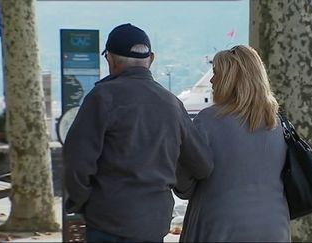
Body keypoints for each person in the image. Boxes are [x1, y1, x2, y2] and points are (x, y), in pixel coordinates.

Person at [63, 23, 213, 242]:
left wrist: (82, 202)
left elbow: (76, 160)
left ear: (110, 59)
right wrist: (179, 184)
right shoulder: (172, 103)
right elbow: (202, 165)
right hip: (154, 223)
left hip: (107, 222)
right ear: (151, 59)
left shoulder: (102, 98)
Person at [174, 45, 290, 242]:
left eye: (216, 74)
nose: (211, 80)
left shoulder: (208, 121)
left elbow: (183, 186)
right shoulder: (278, 124)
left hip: (220, 227)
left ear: (230, 79)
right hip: (275, 228)